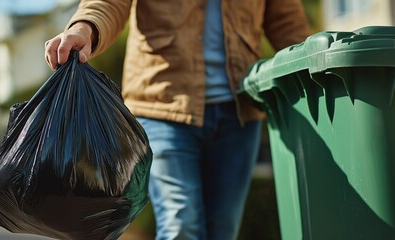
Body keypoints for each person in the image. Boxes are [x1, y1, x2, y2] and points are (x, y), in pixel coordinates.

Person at [45, 0, 311, 239]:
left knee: (222, 230)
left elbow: (287, 23)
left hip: (239, 111)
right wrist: (85, 27)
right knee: (181, 223)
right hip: (163, 104)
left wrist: (316, 69)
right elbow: (108, 3)